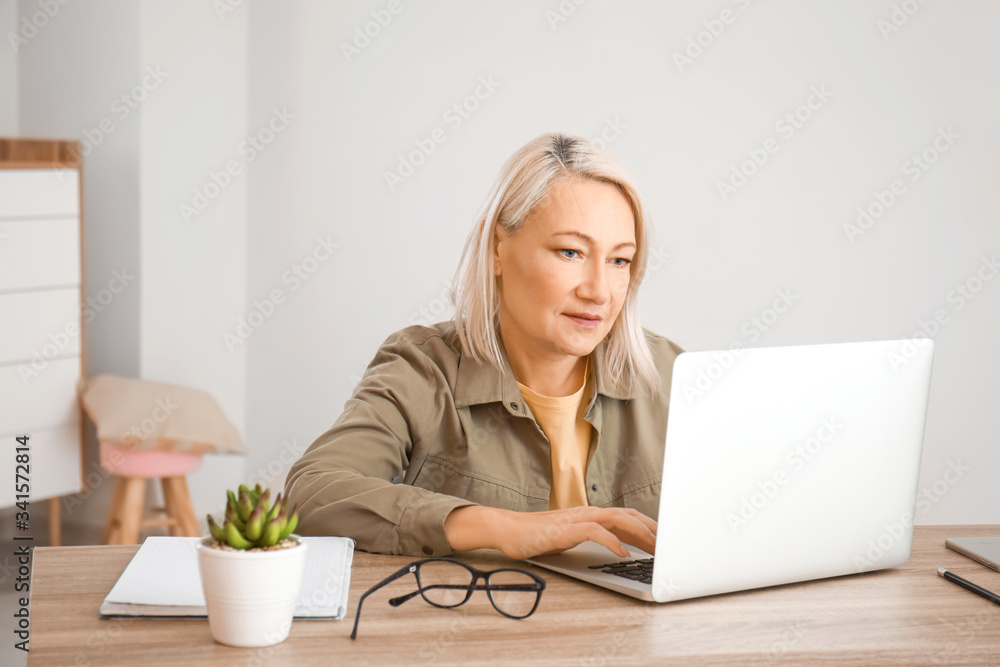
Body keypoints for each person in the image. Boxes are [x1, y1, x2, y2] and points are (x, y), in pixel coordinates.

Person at [284, 132, 684, 560]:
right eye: (570, 252)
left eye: (619, 260)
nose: (599, 292)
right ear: (497, 247)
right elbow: (311, 493)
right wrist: (498, 526)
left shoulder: (672, 372)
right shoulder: (424, 369)